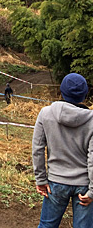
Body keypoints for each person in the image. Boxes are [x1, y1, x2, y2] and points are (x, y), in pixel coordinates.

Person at [32, 73, 93, 228]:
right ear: (85, 94)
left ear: (61, 91)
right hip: (84, 185)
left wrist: (40, 179)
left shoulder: (45, 114)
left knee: (47, 226)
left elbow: (37, 149)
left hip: (55, 182)